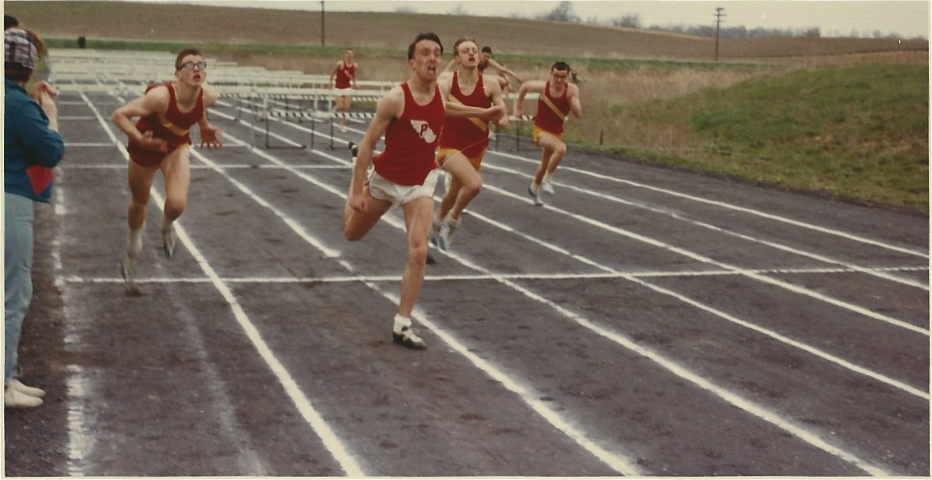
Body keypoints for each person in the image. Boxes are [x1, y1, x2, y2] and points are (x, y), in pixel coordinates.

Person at [344, 32, 503, 349]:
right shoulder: (395, 99)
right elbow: (369, 143)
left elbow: (450, 109)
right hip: (385, 179)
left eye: (437, 53)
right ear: (412, 63)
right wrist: (356, 190)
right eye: (425, 53)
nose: (432, 58)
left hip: (420, 182)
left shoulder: (440, 97)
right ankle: (361, 183)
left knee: (417, 252)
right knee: (351, 234)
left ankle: (402, 324)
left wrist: (484, 114)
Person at [111, 48, 222, 294]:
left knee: (177, 205)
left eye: (200, 65)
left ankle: (166, 225)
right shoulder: (160, 97)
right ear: (177, 74)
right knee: (140, 202)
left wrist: (203, 125)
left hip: (176, 146)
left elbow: (199, 105)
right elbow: (119, 115)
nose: (196, 68)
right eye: (189, 65)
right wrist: (139, 139)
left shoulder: (209, 95)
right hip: (147, 146)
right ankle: (132, 247)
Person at [4, 28, 65, 408]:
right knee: (13, 293)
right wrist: (50, 115)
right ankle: (3, 382)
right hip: (10, 200)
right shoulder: (18, 105)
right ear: (27, 68)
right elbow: (50, 151)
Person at [431, 38, 508, 251]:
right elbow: (442, 107)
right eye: (466, 51)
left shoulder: (491, 83)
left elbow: (501, 112)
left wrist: (501, 120)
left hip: (476, 146)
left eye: (474, 50)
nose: (472, 54)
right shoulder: (446, 80)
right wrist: (484, 114)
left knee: (454, 192)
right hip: (449, 145)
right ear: (456, 58)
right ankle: (453, 221)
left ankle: (437, 219)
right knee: (474, 184)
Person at [515, 61, 582, 206]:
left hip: (556, 133)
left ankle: (534, 188)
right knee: (561, 149)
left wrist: (571, 101)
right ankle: (547, 180)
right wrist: (518, 108)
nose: (559, 80)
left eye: (563, 77)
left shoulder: (572, 90)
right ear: (551, 74)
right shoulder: (544, 87)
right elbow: (525, 86)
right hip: (541, 131)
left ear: (568, 77)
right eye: (556, 76)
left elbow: (578, 114)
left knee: (545, 164)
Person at [329, 48, 359, 133]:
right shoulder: (340, 64)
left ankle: (342, 125)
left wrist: (356, 84)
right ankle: (334, 109)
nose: (349, 56)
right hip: (338, 87)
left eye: (351, 54)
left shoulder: (355, 65)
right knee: (340, 106)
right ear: (345, 55)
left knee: (347, 107)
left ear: (353, 56)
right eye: (348, 54)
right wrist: (330, 82)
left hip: (347, 87)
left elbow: (354, 76)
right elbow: (332, 72)